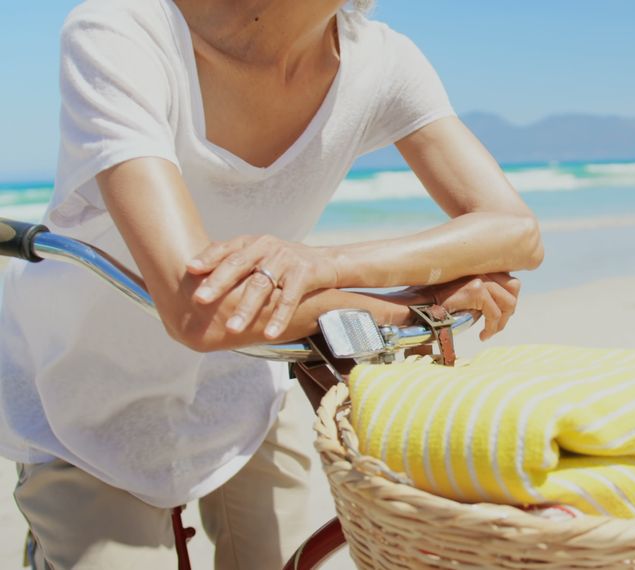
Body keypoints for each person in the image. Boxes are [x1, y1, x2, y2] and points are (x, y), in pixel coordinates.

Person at [0, 0, 543, 567]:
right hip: (81, 399)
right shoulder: (122, 29)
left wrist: (324, 264)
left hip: (243, 387)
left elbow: (515, 232)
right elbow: (201, 311)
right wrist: (415, 306)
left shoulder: (381, 60)